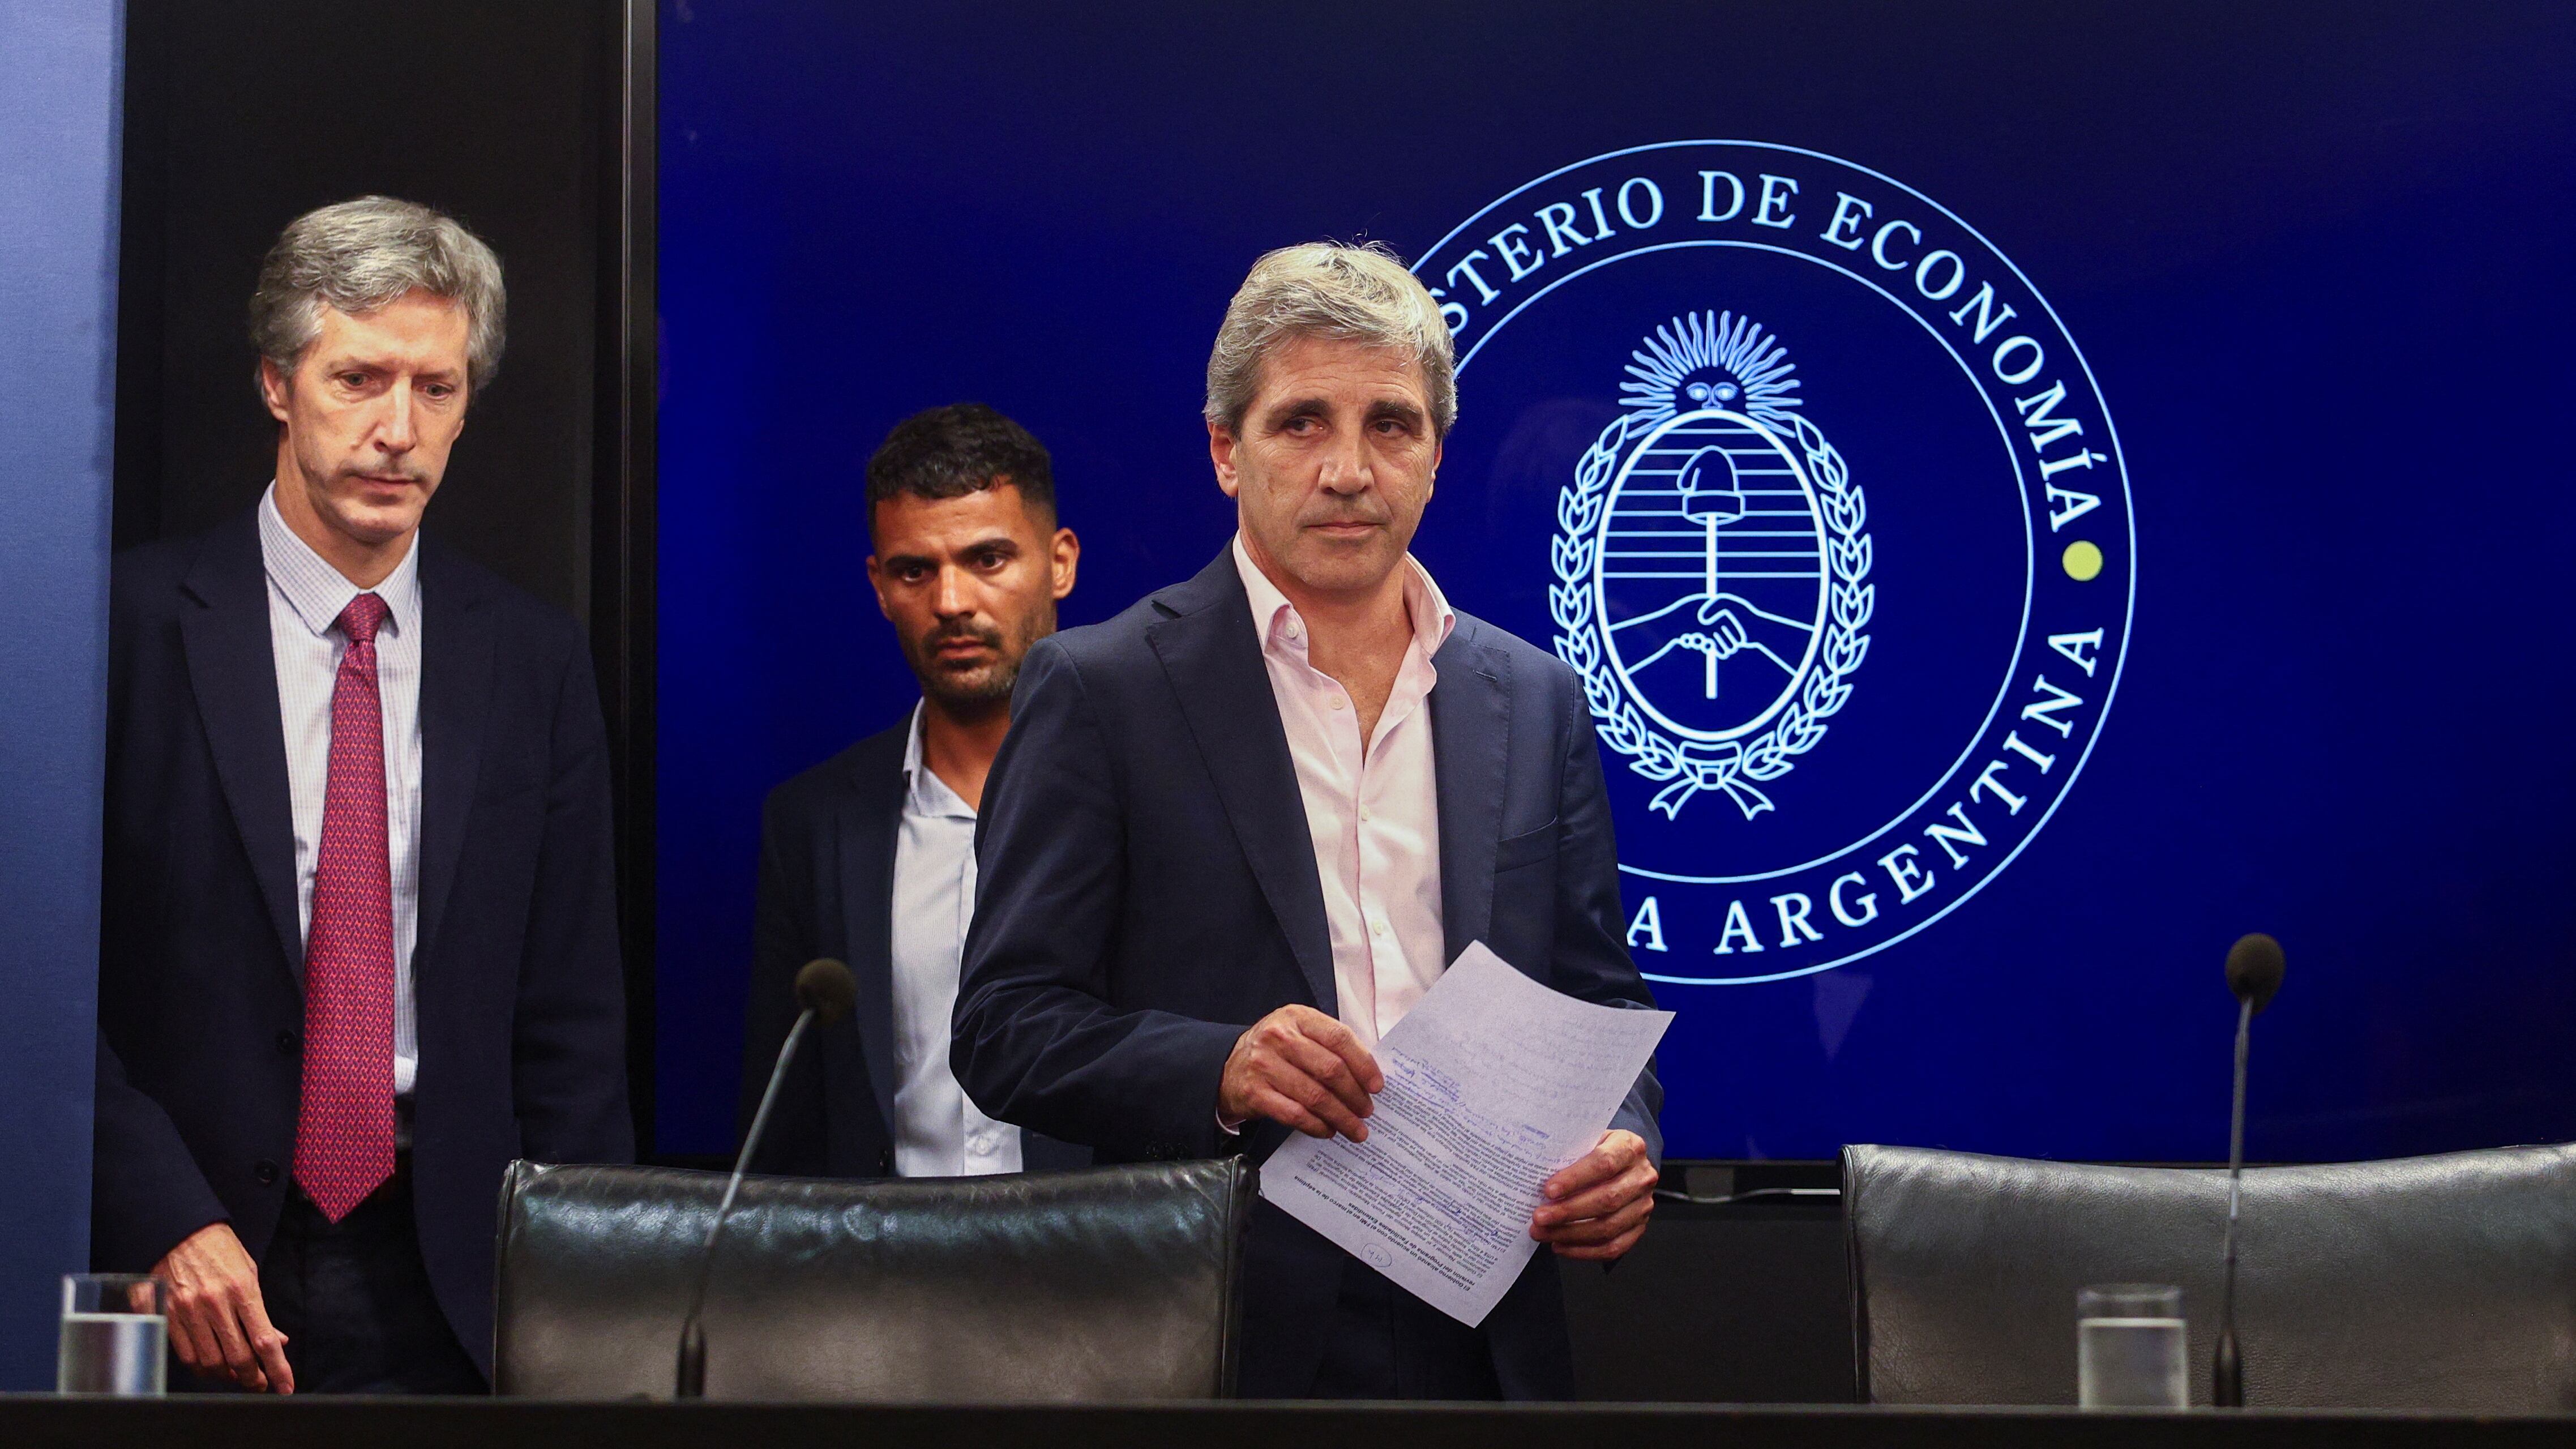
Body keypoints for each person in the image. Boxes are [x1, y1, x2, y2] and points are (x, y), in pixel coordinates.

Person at [954, 242, 1663, 1399]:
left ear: (1436, 453)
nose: (1348, 468)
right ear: (1225, 451)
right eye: (1300, 424)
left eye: (1390, 423)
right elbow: (1004, 1024)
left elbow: (1597, 998)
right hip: (1218, 1326)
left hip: (1491, 1331)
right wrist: (1220, 1065)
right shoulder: (1103, 689)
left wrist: (1623, 1141)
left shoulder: (1533, 697)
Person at [93, 196, 632, 1395]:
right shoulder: (121, 631)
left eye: (435, 389)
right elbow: (41, 977)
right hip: (185, 1261)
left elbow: (571, 1019)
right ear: (278, 384)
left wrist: (590, 1300)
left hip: (450, 1272)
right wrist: (158, 1215)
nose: (398, 429)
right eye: (359, 379)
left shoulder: (530, 657)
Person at [738, 404, 1088, 1178]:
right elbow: (785, 1124)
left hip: (1107, 1272)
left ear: (1059, 563)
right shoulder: (815, 823)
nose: (952, 601)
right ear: (879, 584)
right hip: (881, 1277)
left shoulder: (1148, 795)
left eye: (989, 559)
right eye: (914, 570)